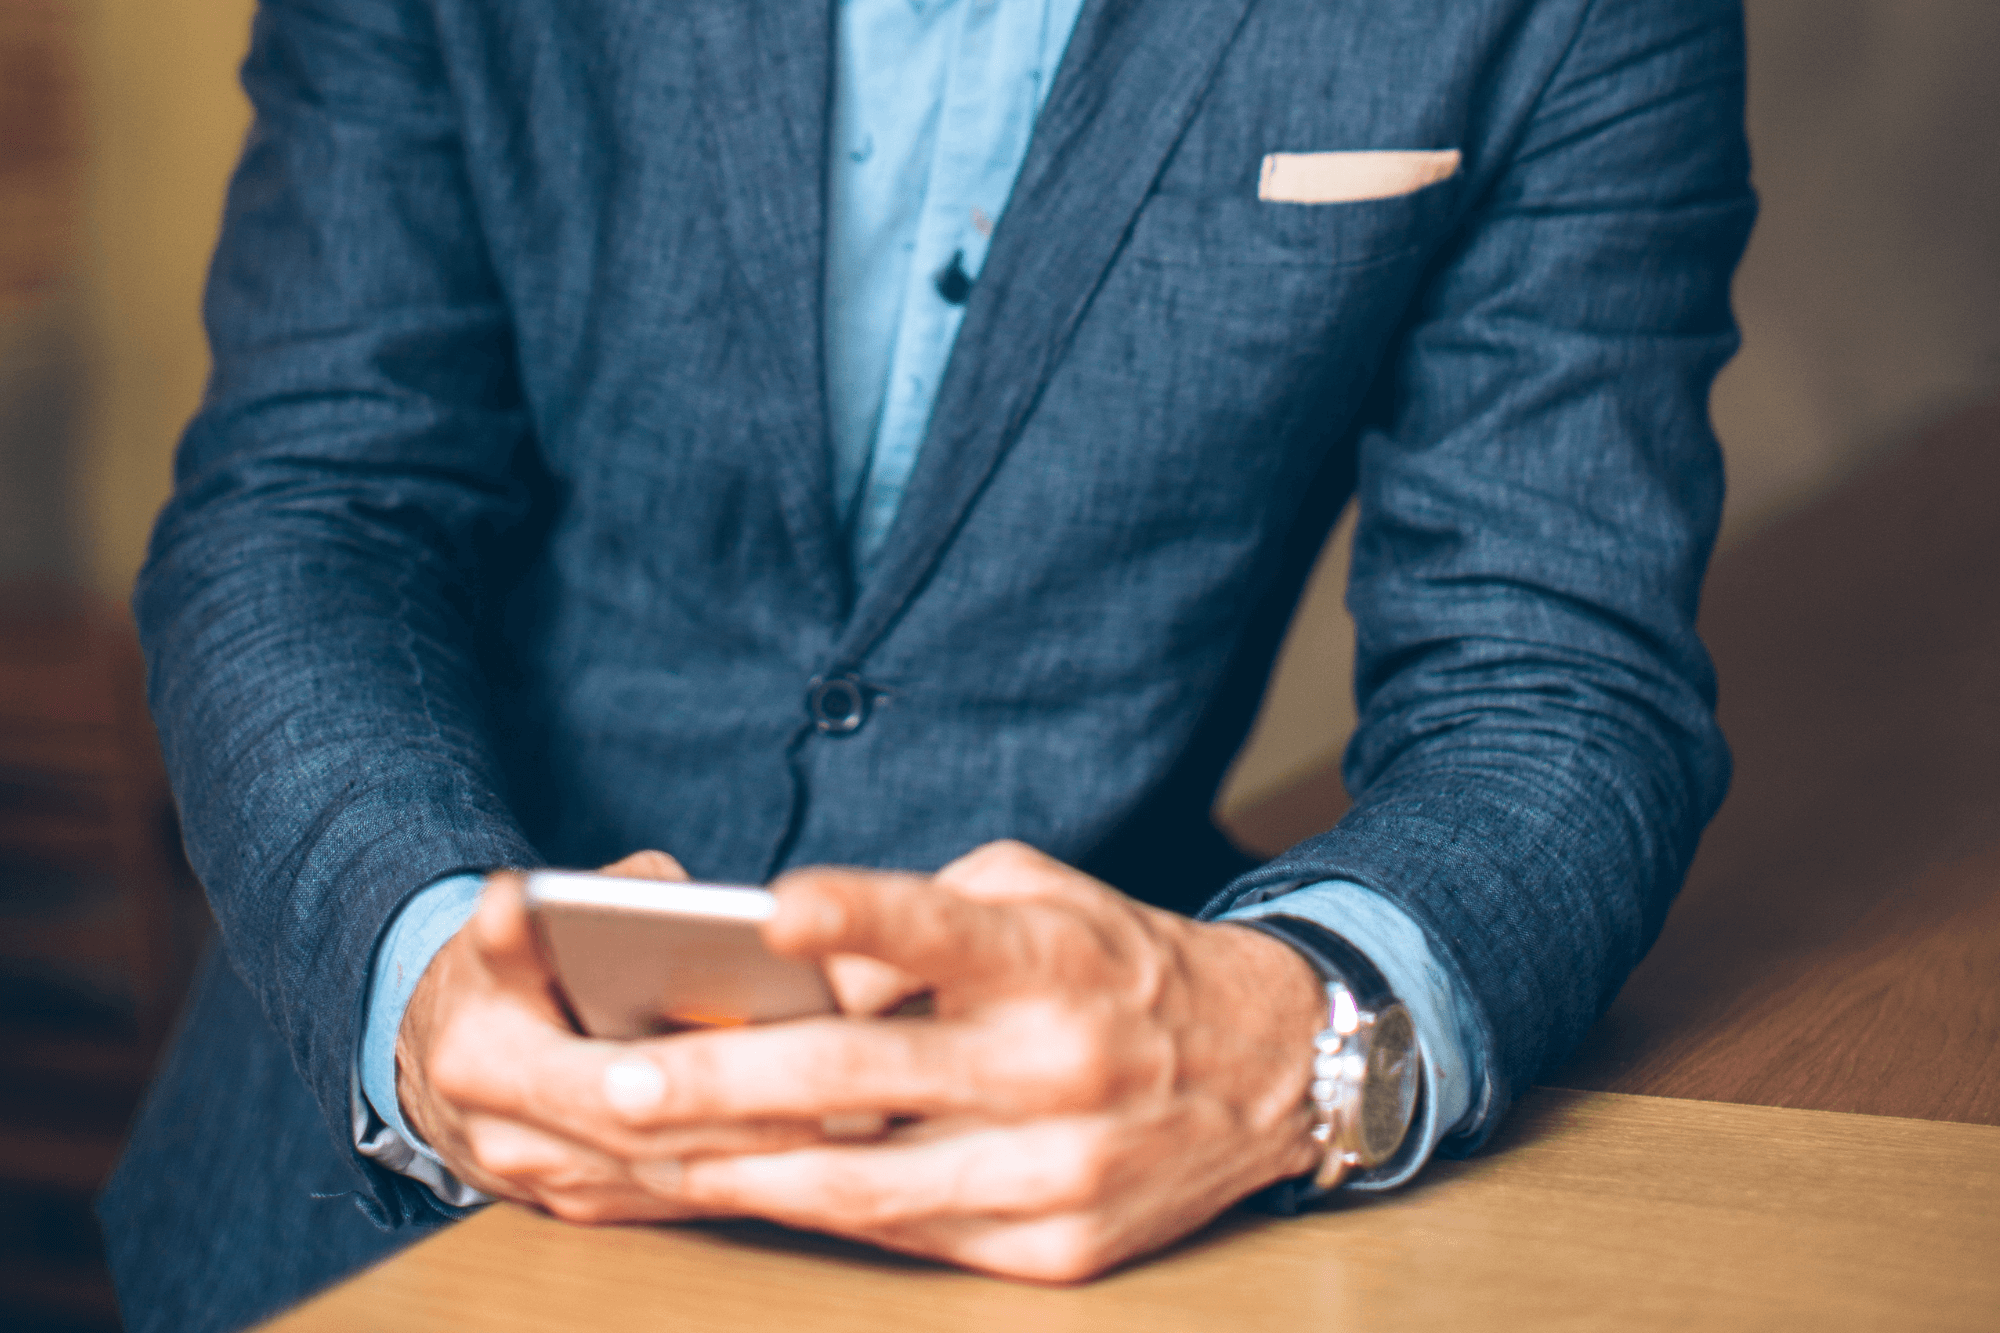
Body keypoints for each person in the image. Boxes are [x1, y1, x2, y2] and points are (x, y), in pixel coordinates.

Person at [98, 0, 1754, 1329]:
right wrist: (418, 969)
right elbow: (313, 506)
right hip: (346, 1228)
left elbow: (1553, 679)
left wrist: (1300, 1043)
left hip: (1088, 1237)